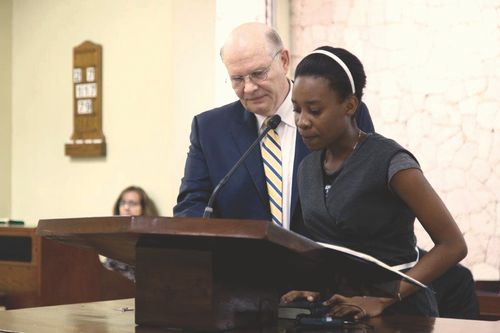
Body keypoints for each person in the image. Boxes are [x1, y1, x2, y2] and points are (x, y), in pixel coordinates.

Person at [281, 46, 468, 319]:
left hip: (401, 314)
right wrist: (312, 289)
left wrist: (386, 298)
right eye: (297, 110)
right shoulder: (307, 168)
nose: (302, 122)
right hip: (343, 311)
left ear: (349, 105)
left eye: (315, 110)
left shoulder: (391, 162)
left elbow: (453, 245)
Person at [173, 22, 374, 228]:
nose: (249, 88)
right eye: (237, 79)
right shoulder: (209, 130)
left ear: (284, 61)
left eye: (259, 73)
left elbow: (369, 196)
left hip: (326, 257)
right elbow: (191, 207)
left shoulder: (341, 114)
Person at [102, 185, 159, 282]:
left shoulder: (152, 238)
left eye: (132, 203)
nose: (126, 207)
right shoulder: (114, 237)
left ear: (144, 208)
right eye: (123, 203)